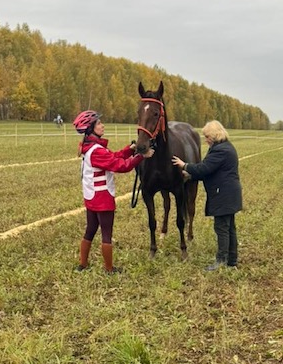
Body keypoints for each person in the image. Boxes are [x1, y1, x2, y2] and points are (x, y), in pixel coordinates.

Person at [73, 110, 154, 274]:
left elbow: (114, 157)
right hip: (102, 199)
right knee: (106, 234)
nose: (102, 125)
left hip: (91, 197)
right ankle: (109, 269)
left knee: (90, 230)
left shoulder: (91, 148)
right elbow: (121, 166)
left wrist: (130, 150)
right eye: (98, 124)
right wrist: (142, 156)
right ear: (90, 129)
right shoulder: (97, 151)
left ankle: (83, 264)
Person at [171, 120, 242, 271]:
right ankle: (232, 261)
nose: (205, 139)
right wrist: (190, 176)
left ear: (215, 135)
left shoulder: (220, 150)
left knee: (222, 228)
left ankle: (221, 260)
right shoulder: (225, 147)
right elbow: (211, 171)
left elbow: (204, 168)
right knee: (230, 228)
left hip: (223, 194)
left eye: (207, 136)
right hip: (230, 194)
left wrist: (185, 165)